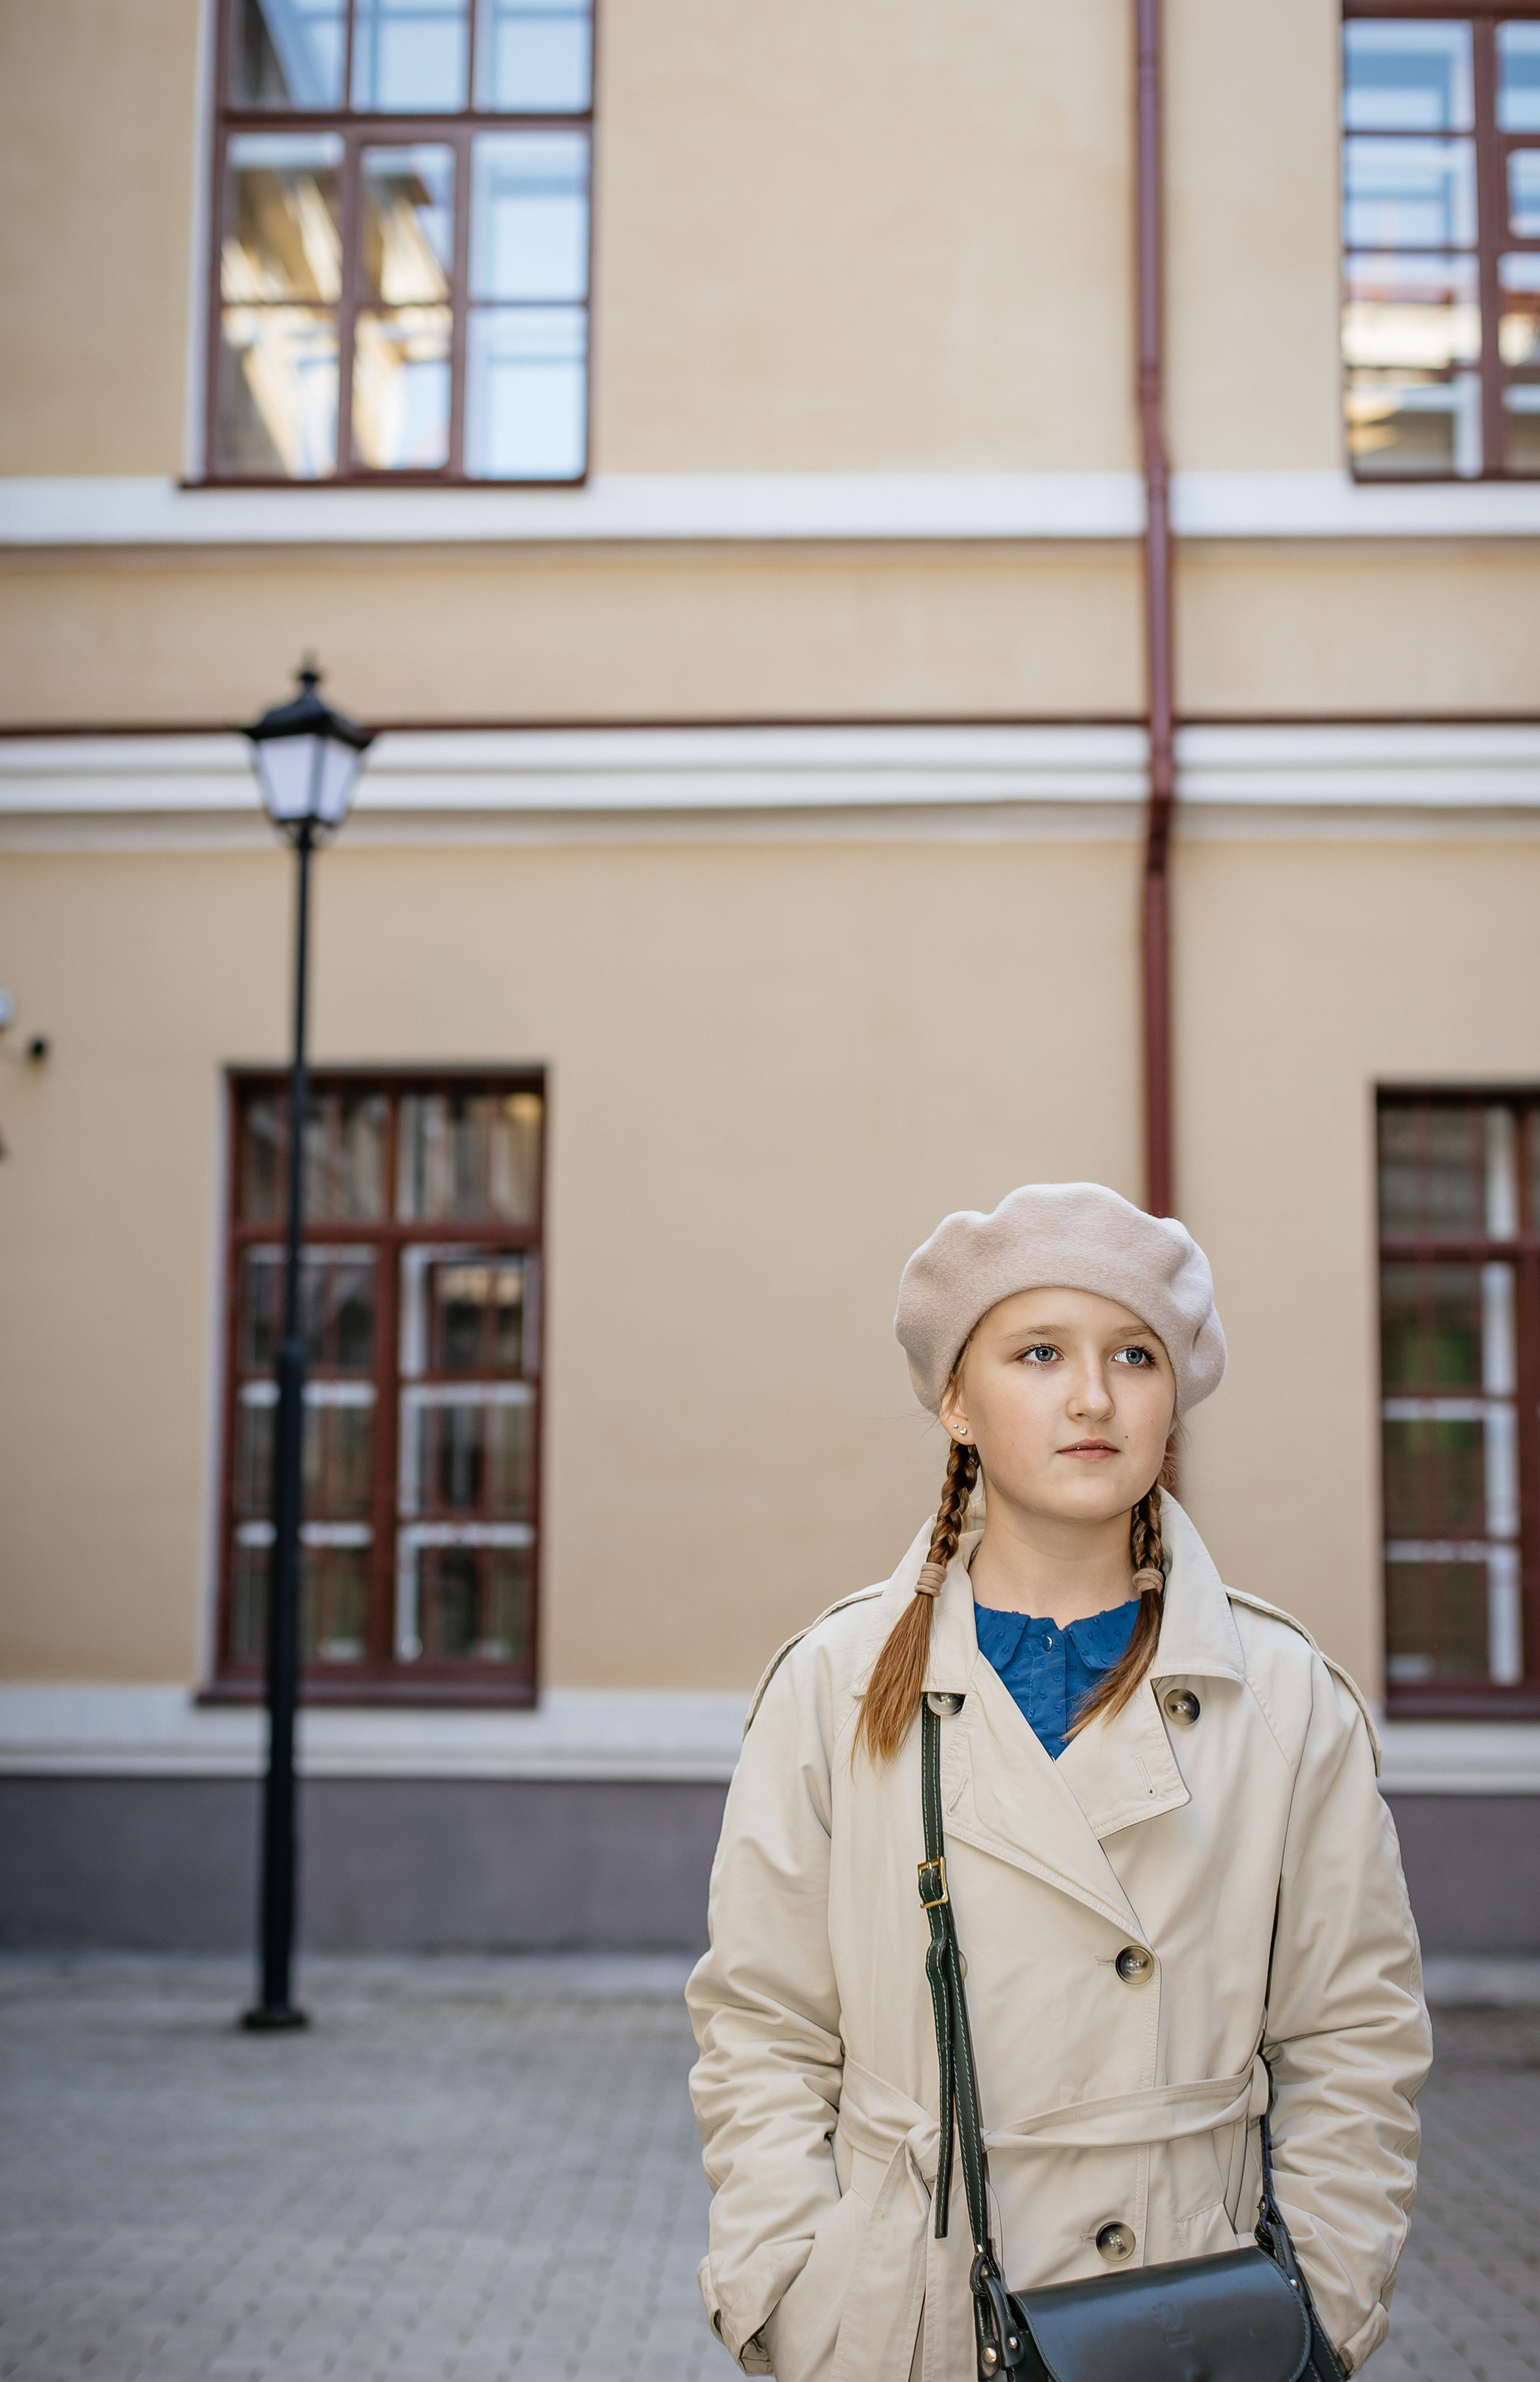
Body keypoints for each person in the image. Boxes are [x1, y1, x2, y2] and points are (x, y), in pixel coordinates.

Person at [687, 1183, 1430, 2382]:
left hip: (1187, 2320)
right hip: (906, 2325)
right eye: (1038, 1353)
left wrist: (1323, 2308)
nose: (1091, 1396)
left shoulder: (1284, 1700)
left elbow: (1352, 2036)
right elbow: (760, 2024)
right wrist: (787, 2284)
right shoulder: (832, 1685)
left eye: (1132, 1355)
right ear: (956, 1404)